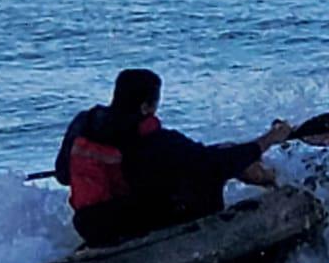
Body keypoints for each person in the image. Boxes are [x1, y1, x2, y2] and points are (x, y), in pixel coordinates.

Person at [55, 68, 292, 248]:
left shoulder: (83, 123)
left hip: (87, 225)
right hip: (126, 223)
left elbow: (64, 175)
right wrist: (269, 139)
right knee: (213, 168)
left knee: (220, 153)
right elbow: (213, 164)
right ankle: (276, 183)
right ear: (146, 107)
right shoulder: (153, 139)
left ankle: (271, 178)